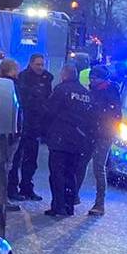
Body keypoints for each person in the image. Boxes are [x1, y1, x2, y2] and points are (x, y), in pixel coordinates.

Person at [43, 63, 96, 217]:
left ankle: (58, 206)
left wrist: (46, 132)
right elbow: (91, 118)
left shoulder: (61, 90)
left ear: (64, 74)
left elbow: (50, 111)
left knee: (57, 174)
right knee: (71, 173)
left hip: (60, 139)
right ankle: (69, 205)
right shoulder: (86, 94)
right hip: (78, 141)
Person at [9, 54, 52, 201]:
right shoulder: (23, 78)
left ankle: (27, 187)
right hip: (23, 124)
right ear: (31, 64)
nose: (40, 67)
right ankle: (13, 188)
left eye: (42, 65)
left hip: (35, 126)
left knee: (31, 160)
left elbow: (47, 101)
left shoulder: (46, 79)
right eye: (38, 64)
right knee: (16, 159)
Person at [83, 63, 123, 216]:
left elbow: (114, 115)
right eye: (91, 78)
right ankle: (73, 197)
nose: (92, 81)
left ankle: (100, 204)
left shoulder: (110, 92)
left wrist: (104, 127)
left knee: (98, 168)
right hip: (92, 133)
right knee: (83, 165)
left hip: (103, 135)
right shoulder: (94, 91)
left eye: (95, 78)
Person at [0, 58, 23, 208]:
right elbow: (16, 110)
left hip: (3, 131)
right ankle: (3, 198)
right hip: (11, 132)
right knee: (7, 166)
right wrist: (17, 130)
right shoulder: (12, 86)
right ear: (12, 70)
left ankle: (1, 197)